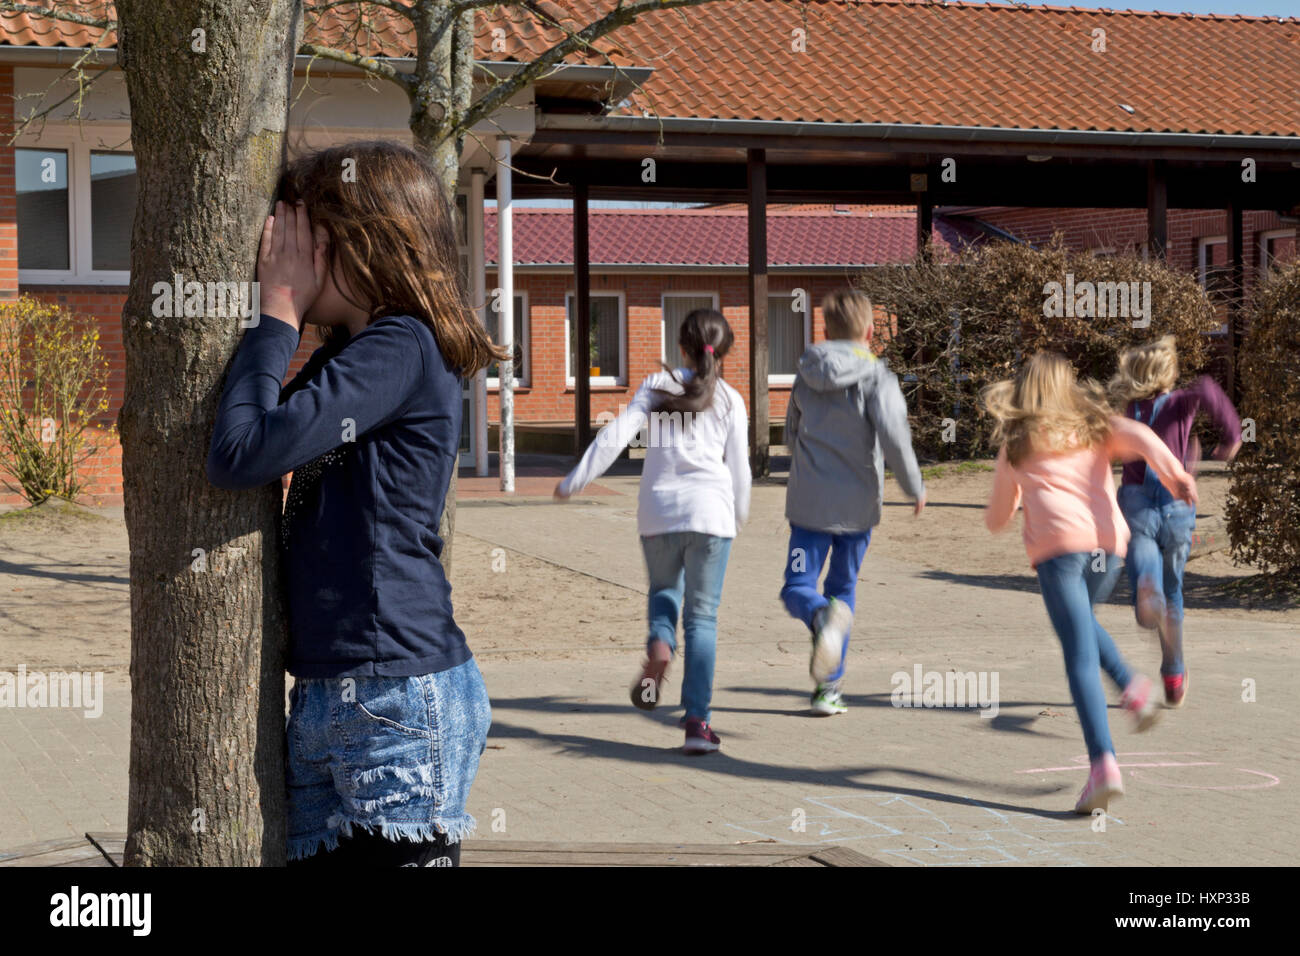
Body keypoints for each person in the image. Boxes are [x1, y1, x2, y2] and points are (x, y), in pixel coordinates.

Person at [207, 141, 503, 865]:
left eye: (299, 237)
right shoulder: (355, 353)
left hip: (393, 695)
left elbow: (241, 451)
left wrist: (276, 313)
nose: (281, 255)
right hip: (340, 690)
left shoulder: (402, 346)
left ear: (358, 241)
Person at [983, 351, 1197, 814]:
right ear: (1068, 387)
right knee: (1082, 625)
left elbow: (997, 518)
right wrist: (1175, 474)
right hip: (1108, 553)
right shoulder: (1094, 425)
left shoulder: (1017, 443)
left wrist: (1008, 500)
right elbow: (1140, 436)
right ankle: (1132, 688)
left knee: (1077, 652)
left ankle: (1103, 765)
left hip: (1058, 554)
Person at [555, 309, 750, 754]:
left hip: (658, 512)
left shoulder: (656, 387)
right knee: (702, 619)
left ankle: (660, 645)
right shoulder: (731, 400)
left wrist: (575, 480)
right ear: (724, 353)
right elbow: (739, 469)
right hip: (710, 516)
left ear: (681, 348)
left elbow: (616, 435)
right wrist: (738, 517)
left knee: (664, 592)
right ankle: (698, 723)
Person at [781, 289, 926, 716]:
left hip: (809, 504)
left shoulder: (805, 372)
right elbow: (895, 437)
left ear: (824, 329)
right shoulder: (878, 377)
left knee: (797, 587)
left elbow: (791, 431)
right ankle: (829, 689)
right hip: (858, 506)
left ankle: (820, 617)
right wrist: (914, 485)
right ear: (868, 331)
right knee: (842, 591)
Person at [1109, 336, 1241, 707]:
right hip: (1177, 503)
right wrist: (1231, 436)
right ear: (1168, 372)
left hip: (1137, 501)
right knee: (1174, 593)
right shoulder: (1182, 402)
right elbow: (1207, 388)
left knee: (1142, 553)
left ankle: (1144, 585)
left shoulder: (1129, 409)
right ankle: (1174, 674)